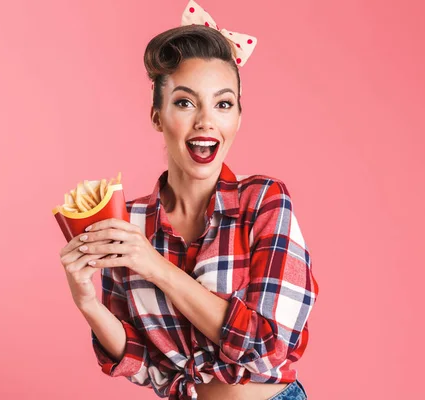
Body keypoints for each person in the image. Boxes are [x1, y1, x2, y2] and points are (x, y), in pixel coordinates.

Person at [58, 2, 319, 399]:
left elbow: (268, 346)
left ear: (238, 118)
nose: (206, 121)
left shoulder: (264, 201)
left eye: (223, 103)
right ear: (157, 115)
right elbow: (140, 364)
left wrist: (156, 267)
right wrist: (87, 301)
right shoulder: (131, 222)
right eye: (185, 102)